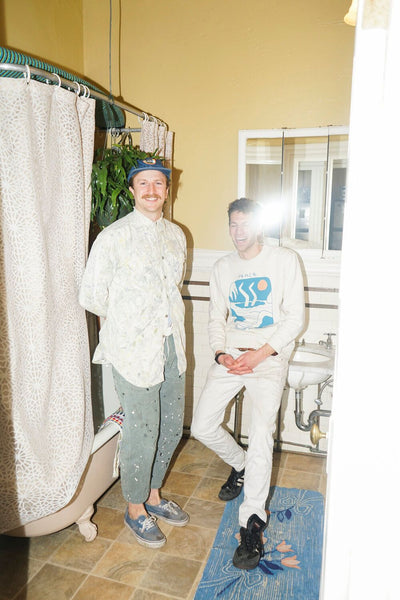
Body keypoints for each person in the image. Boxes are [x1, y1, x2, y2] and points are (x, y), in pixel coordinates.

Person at [79, 158, 188, 548]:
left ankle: (154, 497)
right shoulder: (112, 237)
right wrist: (121, 335)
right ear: (131, 190)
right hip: (132, 351)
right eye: (143, 183)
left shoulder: (177, 235)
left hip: (172, 343)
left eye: (158, 183)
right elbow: (91, 296)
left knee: (171, 425)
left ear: (166, 189)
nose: (151, 190)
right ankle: (134, 508)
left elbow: (170, 286)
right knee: (142, 431)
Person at [191, 197, 304, 570]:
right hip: (231, 356)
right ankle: (240, 465)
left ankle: (251, 523)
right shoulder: (222, 267)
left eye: (245, 224)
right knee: (203, 425)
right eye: (233, 225)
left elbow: (295, 318)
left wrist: (259, 354)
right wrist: (221, 354)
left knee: (261, 436)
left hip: (268, 359)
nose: (238, 232)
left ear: (258, 226)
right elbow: (215, 318)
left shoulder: (284, 260)